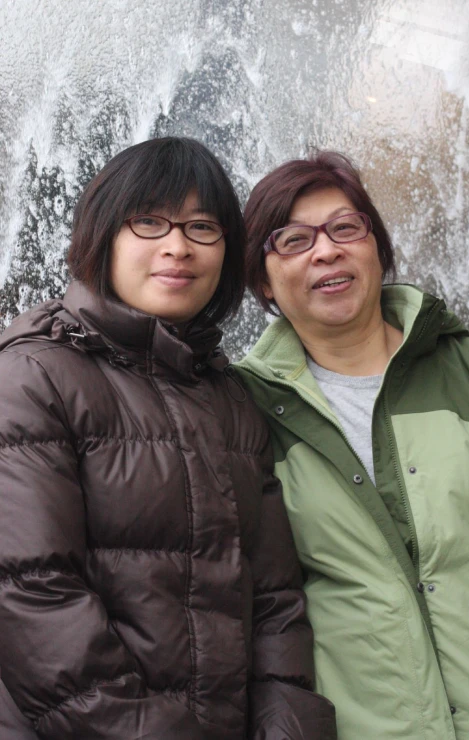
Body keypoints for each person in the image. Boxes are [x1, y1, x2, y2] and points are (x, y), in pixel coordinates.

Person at [0, 137, 337, 740]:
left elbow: (276, 600)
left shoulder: (229, 397)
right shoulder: (34, 375)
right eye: (149, 221)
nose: (177, 246)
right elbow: (31, 592)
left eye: (203, 227)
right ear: (103, 235)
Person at [236, 150, 469, 740]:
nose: (326, 250)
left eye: (345, 228)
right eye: (293, 240)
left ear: (377, 246)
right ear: (261, 278)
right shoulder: (243, 410)